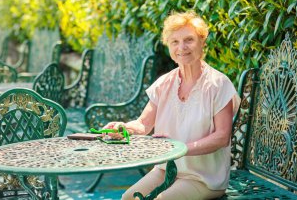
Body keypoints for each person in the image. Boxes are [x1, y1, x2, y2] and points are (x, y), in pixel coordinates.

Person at [103, 11, 241, 200]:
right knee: (129, 198)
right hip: (166, 169)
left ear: (203, 42)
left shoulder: (218, 84)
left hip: (202, 177)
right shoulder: (164, 83)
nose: (181, 47)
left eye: (189, 40)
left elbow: (221, 137)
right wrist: (123, 127)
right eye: (174, 41)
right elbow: (143, 124)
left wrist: (179, 148)